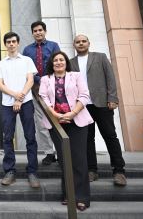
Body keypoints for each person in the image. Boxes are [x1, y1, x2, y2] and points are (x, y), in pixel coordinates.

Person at [39, 50, 93, 211]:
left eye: (61, 60)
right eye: (55, 60)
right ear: (51, 63)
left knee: (79, 159)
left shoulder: (75, 76)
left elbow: (84, 95)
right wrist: (55, 115)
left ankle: (82, 196)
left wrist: (72, 113)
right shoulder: (45, 79)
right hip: (56, 123)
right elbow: (43, 98)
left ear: (66, 62)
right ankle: (68, 195)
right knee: (64, 159)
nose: (58, 62)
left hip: (76, 120)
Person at [71, 34, 126, 186]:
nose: (81, 44)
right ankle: (91, 170)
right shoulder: (71, 63)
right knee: (87, 139)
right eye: (78, 42)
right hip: (82, 106)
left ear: (89, 43)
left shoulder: (100, 57)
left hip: (102, 103)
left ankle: (119, 171)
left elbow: (110, 78)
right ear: (74, 45)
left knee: (110, 135)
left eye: (83, 41)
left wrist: (113, 98)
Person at [0, 32, 40, 188]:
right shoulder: (1, 64)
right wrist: (15, 96)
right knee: (7, 137)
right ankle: (10, 171)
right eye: (8, 42)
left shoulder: (27, 60)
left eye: (14, 41)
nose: (11, 44)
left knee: (30, 137)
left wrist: (20, 98)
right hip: (8, 103)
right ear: (5, 44)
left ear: (18, 43)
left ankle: (32, 172)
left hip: (26, 101)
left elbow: (31, 80)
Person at [22, 20, 60, 165]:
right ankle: (49, 153)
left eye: (40, 30)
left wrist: (48, 80)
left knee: (57, 119)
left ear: (44, 31)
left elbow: (59, 63)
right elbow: (26, 70)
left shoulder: (53, 46)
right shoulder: (27, 50)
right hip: (36, 89)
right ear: (32, 33)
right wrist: (38, 80)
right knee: (42, 122)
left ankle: (61, 151)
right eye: (35, 31)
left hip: (54, 88)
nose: (38, 33)